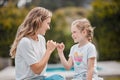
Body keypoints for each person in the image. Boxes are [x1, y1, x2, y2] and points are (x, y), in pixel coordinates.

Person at [10, 7, 65, 80]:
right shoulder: (25, 42)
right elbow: (37, 70)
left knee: (60, 77)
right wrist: (49, 50)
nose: (49, 27)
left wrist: (52, 49)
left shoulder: (41, 39)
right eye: (47, 23)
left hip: (41, 78)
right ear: (39, 22)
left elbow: (41, 67)